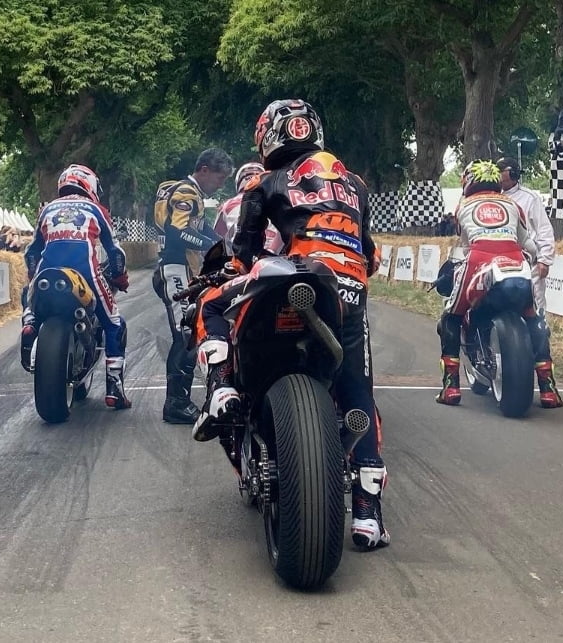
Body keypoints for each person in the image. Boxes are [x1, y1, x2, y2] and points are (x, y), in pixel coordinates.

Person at [194, 99, 389, 550]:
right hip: (349, 292)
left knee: (210, 304)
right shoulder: (356, 184)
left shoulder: (266, 182)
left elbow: (242, 249)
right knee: (358, 392)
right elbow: (371, 253)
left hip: (295, 274)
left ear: (270, 137)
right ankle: (367, 516)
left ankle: (222, 387)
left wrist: (240, 268)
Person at [435, 160, 563, 409]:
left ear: (469, 181)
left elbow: (466, 245)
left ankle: (450, 386)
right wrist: (540, 259)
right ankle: (548, 389)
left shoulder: (463, 206)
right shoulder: (513, 204)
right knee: (534, 318)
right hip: (516, 260)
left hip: (479, 260)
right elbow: (527, 242)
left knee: (451, 316)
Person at [22, 164, 132, 409]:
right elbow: (115, 253)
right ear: (89, 185)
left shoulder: (47, 209)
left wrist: (32, 277)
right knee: (114, 323)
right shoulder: (96, 209)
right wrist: (120, 278)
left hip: (47, 271)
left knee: (28, 295)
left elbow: (31, 252)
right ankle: (115, 389)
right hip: (86, 272)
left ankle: (29, 324)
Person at [151, 148, 233, 424]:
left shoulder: (191, 193)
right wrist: (210, 246)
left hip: (182, 271)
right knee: (185, 336)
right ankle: (176, 404)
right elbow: (178, 231)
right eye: (219, 178)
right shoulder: (187, 192)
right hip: (175, 269)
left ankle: (180, 400)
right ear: (204, 170)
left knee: (190, 333)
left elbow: (202, 228)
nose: (220, 185)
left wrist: (227, 247)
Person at [496, 157, 563, 408]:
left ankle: (547, 386)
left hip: (527, 267)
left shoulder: (530, 199)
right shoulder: (490, 198)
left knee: (536, 323)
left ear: (512, 173)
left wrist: (544, 259)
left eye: (500, 171)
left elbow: (544, 231)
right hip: (496, 266)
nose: (496, 175)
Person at [212, 161, 282, 255]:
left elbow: (216, 239)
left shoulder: (227, 205)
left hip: (241, 257)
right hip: (277, 258)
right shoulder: (279, 201)